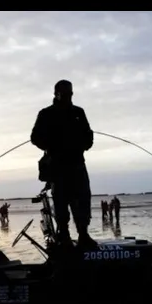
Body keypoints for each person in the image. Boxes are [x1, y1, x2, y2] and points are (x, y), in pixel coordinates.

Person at [31, 79, 96, 248]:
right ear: (56, 94)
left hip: (77, 164)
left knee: (83, 199)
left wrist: (82, 144)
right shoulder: (46, 114)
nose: (68, 97)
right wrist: (51, 146)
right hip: (57, 166)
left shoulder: (78, 112)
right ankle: (64, 234)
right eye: (64, 94)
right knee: (60, 201)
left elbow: (89, 136)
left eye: (70, 94)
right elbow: (35, 137)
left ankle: (83, 234)